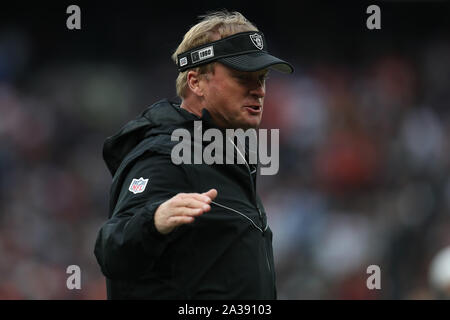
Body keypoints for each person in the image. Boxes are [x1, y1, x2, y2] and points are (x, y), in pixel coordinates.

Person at [94, 10, 293, 299]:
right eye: (243, 78)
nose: (259, 91)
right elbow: (111, 249)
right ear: (196, 82)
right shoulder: (166, 154)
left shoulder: (228, 154)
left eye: (261, 78)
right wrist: (153, 221)